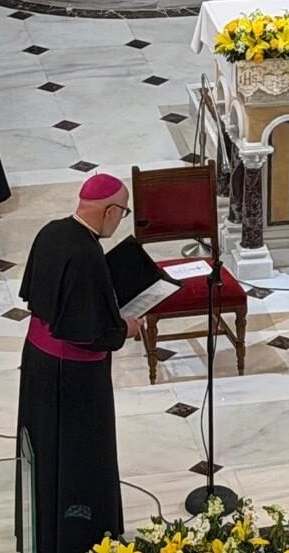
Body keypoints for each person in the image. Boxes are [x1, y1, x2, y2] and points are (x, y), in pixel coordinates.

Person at [16, 173, 142, 553]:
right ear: (109, 211)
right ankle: (80, 538)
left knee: (43, 452)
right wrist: (128, 328)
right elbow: (93, 334)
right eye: (122, 213)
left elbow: (38, 298)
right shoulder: (87, 254)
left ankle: (42, 529)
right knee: (80, 459)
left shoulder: (51, 231)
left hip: (37, 362)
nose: (121, 220)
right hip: (74, 381)